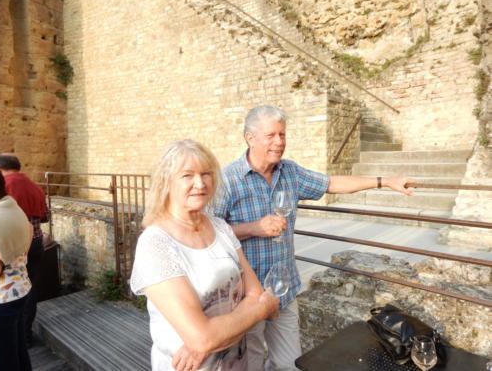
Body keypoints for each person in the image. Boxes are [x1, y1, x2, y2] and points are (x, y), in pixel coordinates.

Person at [212, 105, 416, 371]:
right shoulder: (227, 180)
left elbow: (331, 183)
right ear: (250, 138)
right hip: (247, 295)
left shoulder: (290, 172)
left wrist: (385, 181)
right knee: (249, 364)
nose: (279, 142)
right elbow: (210, 232)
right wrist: (253, 228)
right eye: (271, 135)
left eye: (282, 135)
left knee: (291, 364)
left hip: (284, 289)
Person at [130, 139, 279, 371]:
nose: (200, 183)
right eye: (187, 175)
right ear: (166, 182)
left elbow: (255, 292)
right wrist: (260, 310)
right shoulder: (155, 244)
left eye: (206, 173)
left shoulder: (220, 227)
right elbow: (203, 337)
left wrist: (210, 337)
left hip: (238, 362)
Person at [0, 153, 48, 347]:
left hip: (11, 247)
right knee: (28, 287)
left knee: (7, 291)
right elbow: (44, 218)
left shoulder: (2, 187)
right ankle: (25, 336)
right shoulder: (36, 187)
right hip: (35, 242)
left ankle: (15, 337)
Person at [0, 166, 33, 371]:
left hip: (2, 296)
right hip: (20, 287)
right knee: (17, 349)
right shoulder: (12, 207)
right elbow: (30, 232)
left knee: (2, 358)